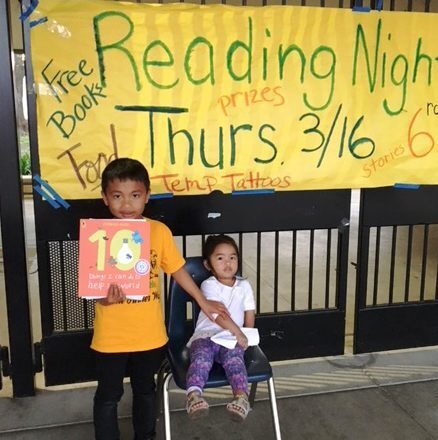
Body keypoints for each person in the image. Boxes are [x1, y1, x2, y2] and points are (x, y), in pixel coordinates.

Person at [91, 158, 227, 440]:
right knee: (108, 395)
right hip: (110, 336)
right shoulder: (97, 236)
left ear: (147, 196)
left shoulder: (158, 232)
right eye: (117, 196)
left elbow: (177, 270)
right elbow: (93, 287)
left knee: (145, 391)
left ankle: (146, 436)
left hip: (149, 335)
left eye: (135, 196)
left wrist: (202, 301)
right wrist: (104, 299)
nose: (126, 205)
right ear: (105, 198)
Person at [185, 234, 256, 422]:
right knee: (201, 359)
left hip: (230, 340)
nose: (228, 263)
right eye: (220, 258)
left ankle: (241, 398)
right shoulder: (208, 285)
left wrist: (248, 336)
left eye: (233, 257)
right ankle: (194, 397)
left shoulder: (245, 286)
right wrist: (238, 331)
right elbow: (217, 315)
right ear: (208, 265)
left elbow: (250, 312)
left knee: (235, 361)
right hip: (206, 336)